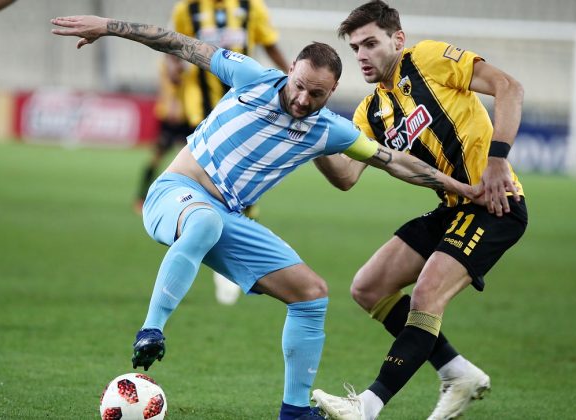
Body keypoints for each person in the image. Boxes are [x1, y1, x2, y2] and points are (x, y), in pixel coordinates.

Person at [51, 14, 482, 420]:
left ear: (332, 92)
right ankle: (151, 330)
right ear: (290, 70)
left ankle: (293, 412)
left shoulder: (329, 129)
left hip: (225, 217)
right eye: (299, 86)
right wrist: (107, 26)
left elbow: (395, 161)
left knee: (311, 294)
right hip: (174, 195)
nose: (303, 99)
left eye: (317, 95)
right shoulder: (251, 76)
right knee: (204, 222)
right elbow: (178, 43)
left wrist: (463, 190)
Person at [310, 2, 528, 419]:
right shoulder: (370, 112)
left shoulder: (427, 58)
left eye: (371, 44)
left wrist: (498, 158)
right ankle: (457, 372)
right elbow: (346, 176)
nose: (362, 55)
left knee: (427, 295)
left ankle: (366, 407)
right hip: (452, 208)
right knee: (368, 287)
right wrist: (312, 137)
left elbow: (509, 87)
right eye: (355, 48)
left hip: (496, 206)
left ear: (398, 39)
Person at [135, 0, 290, 305]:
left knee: (242, 183)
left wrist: (290, 80)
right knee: (204, 183)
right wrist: (173, 70)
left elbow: (270, 45)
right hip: (202, 110)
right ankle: (215, 252)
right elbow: (172, 45)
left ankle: (233, 256)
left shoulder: (251, 7)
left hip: (247, 108)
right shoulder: (188, 8)